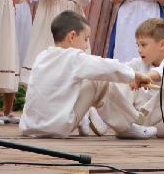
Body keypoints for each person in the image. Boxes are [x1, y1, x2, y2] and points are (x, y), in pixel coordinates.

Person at [20, 10, 156, 139]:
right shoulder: (74, 57)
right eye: (86, 39)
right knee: (98, 81)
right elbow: (107, 67)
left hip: (30, 126)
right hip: (56, 127)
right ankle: (127, 126)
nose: (86, 46)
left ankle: (84, 121)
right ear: (72, 36)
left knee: (77, 82)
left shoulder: (42, 56)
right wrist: (135, 75)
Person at [122, 18, 164, 137]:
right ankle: (121, 122)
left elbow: (163, 71)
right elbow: (120, 70)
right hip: (143, 124)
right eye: (138, 45)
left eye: (143, 45)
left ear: (162, 44)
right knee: (123, 77)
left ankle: (133, 121)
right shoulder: (138, 63)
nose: (139, 50)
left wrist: (143, 77)